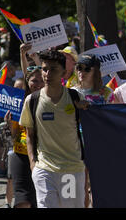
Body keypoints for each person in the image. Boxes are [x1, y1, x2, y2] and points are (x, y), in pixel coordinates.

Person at [19, 50, 89, 208]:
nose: (47, 74)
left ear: (64, 73)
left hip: (71, 170)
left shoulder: (75, 98)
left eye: (53, 70)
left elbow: (93, 127)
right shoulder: (32, 100)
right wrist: (33, 163)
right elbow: (30, 135)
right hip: (44, 170)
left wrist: (86, 110)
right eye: (44, 69)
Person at [6, 73, 43, 208]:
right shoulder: (19, 103)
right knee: (23, 200)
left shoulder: (51, 101)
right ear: (28, 82)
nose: (38, 84)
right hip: (20, 155)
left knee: (40, 200)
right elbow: (15, 134)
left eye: (41, 80)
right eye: (34, 80)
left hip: (43, 157)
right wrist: (10, 123)